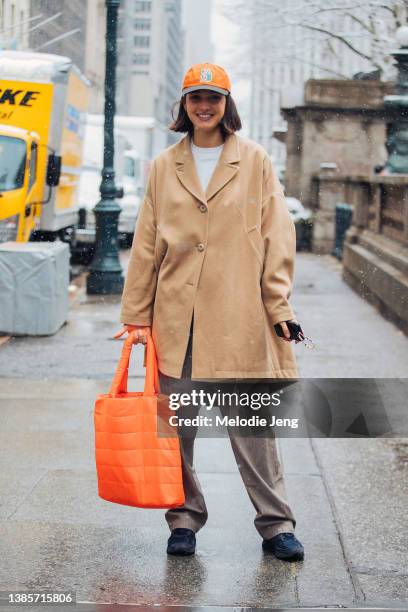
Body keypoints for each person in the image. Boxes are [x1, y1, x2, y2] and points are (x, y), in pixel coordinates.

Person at [114, 63, 305, 561]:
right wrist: (137, 315)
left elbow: (277, 236)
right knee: (175, 431)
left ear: (226, 104)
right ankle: (183, 520)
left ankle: (276, 524)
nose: (204, 106)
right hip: (178, 317)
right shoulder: (164, 165)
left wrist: (278, 302)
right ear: (183, 104)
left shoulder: (255, 160)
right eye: (196, 98)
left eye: (213, 98)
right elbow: (147, 242)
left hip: (240, 314)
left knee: (255, 432)